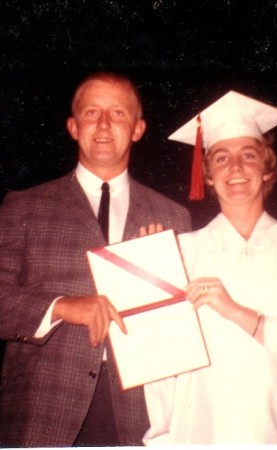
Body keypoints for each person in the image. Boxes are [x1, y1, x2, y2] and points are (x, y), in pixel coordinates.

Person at [0, 72, 191, 447]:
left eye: (118, 113)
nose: (104, 124)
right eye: (91, 113)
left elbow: (181, 329)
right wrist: (60, 307)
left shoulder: (174, 216)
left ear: (138, 129)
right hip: (45, 405)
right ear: (73, 127)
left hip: (141, 413)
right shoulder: (23, 205)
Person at [143, 90, 277, 445]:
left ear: (267, 169)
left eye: (248, 155)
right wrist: (146, 265)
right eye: (221, 158)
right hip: (202, 432)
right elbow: (159, 363)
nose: (235, 168)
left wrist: (236, 312)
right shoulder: (181, 252)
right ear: (206, 175)